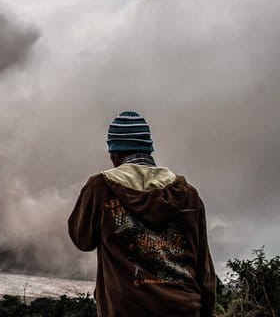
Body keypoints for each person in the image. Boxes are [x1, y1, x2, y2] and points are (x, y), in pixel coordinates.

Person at [68, 111, 216, 316]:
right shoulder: (188, 196)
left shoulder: (101, 188)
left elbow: (82, 239)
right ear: (148, 150)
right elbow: (205, 272)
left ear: (116, 154)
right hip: (184, 310)